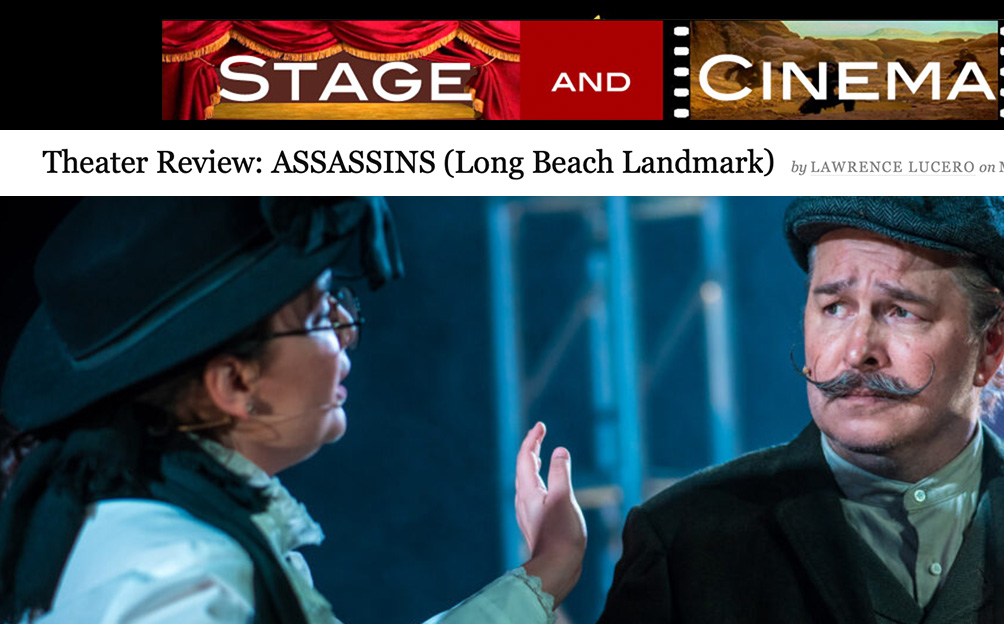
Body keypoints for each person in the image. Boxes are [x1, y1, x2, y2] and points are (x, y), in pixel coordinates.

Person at [598, 197, 1004, 623]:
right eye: (833, 307)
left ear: (991, 344)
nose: (857, 350)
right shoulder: (685, 539)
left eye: (901, 311)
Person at [0, 197, 587, 624]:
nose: (347, 335)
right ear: (234, 382)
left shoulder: (131, 529)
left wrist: (549, 567)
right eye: (315, 316)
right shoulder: (184, 576)